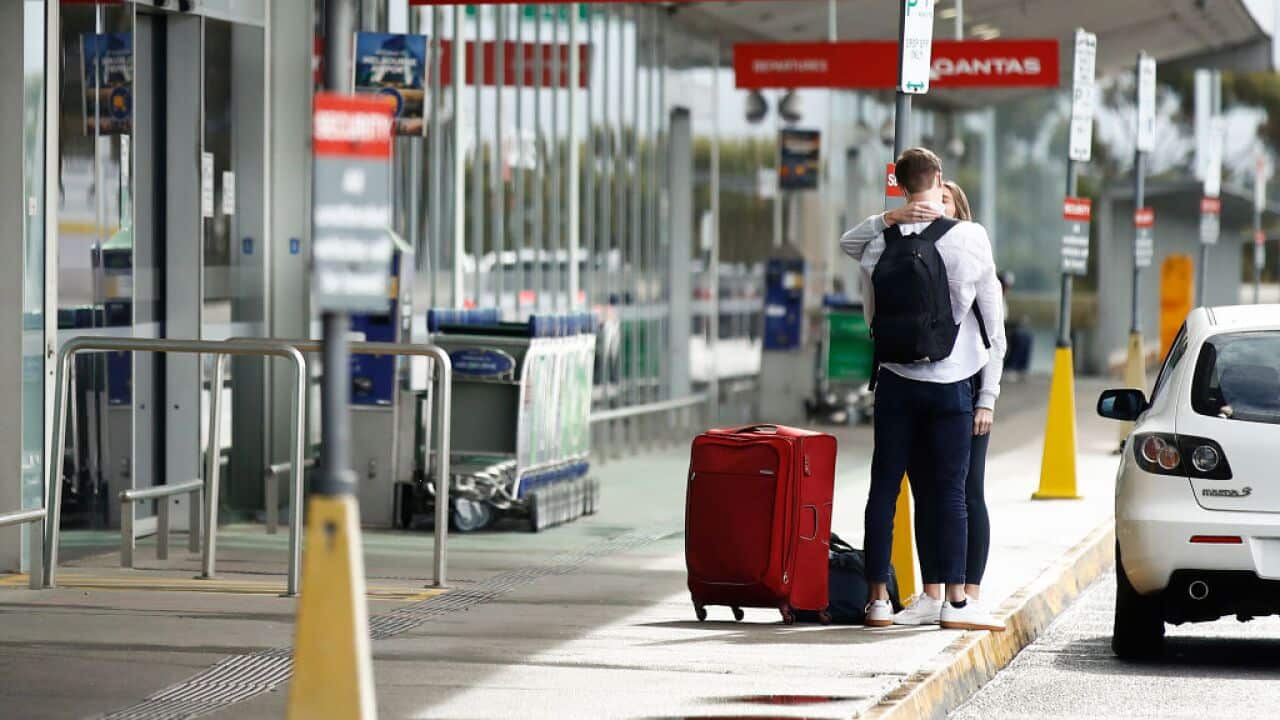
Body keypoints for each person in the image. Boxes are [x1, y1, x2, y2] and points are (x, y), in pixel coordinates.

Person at [839, 150, 1007, 632]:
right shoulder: (971, 238)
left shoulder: (877, 244)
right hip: (951, 383)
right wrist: (988, 392)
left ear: (899, 183)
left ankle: (876, 602)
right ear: (938, 179)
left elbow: (870, 313)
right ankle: (956, 602)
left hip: (894, 383)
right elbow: (992, 325)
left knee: (884, 491)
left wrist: (889, 217)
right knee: (951, 493)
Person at [894, 180, 995, 625]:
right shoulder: (918, 262)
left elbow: (998, 338)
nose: (937, 206)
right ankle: (932, 591)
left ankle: (969, 591)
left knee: (966, 492)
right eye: (934, 199)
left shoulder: (973, 257)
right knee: (927, 493)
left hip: (968, 393)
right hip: (927, 390)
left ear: (960, 211)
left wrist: (987, 399)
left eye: (947, 200)